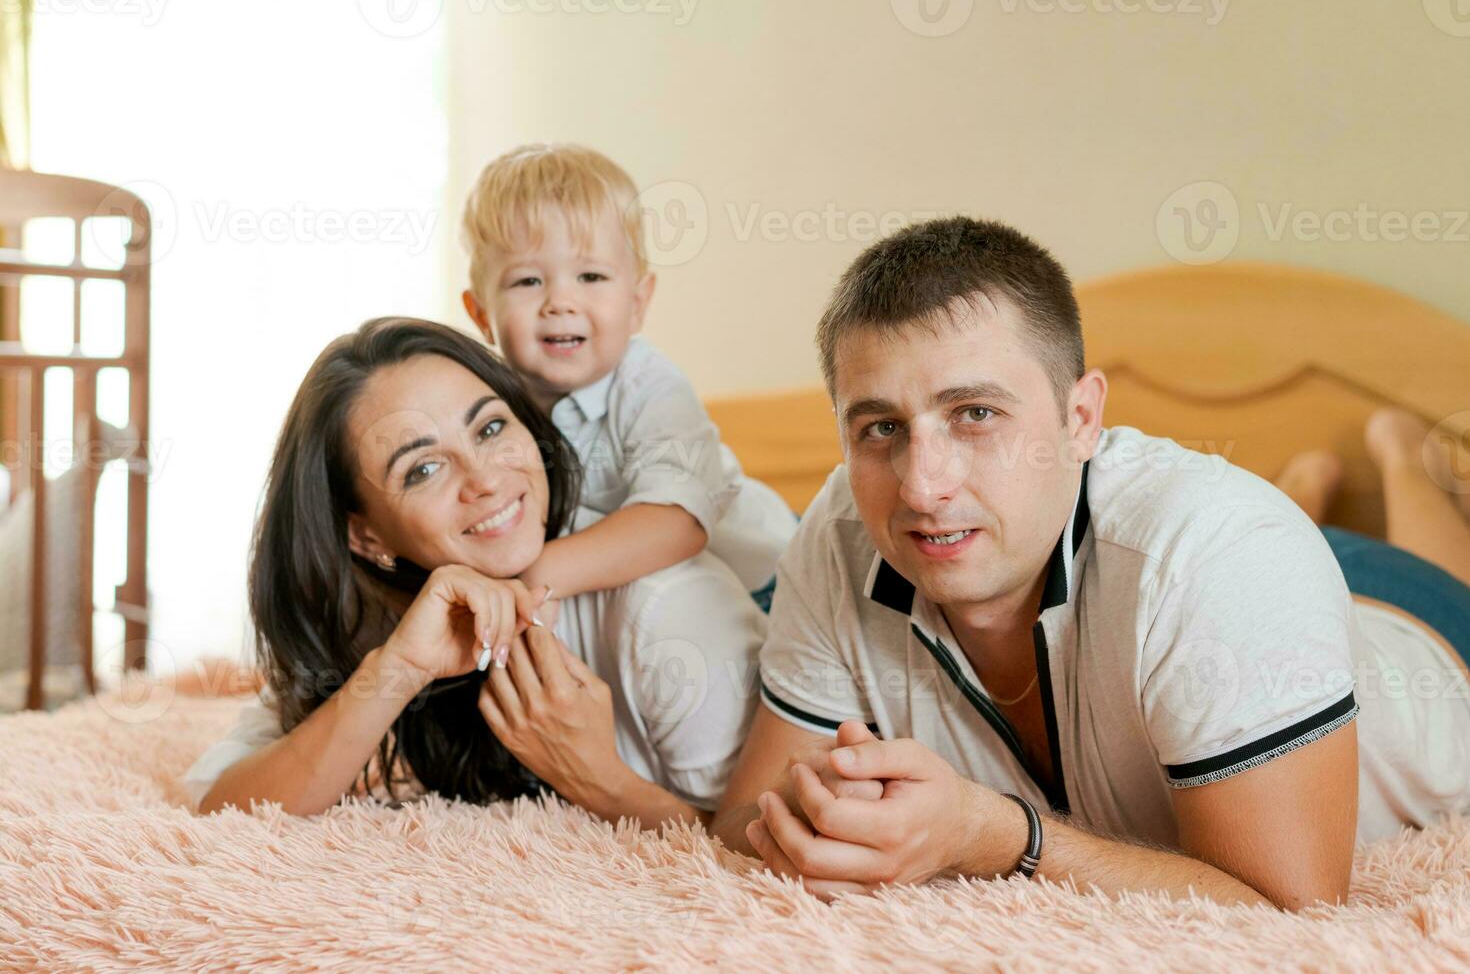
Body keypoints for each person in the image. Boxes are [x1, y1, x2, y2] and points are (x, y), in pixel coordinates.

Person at [709, 216, 1470, 910]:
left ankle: (1402, 452)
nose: (921, 485)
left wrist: (996, 834)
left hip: (1413, 623)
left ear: (1081, 419)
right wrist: (818, 821)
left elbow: (1289, 909)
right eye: (881, 427)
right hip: (1198, 578)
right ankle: (1303, 485)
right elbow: (746, 814)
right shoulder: (846, 518)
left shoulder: (1233, 555)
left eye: (975, 414)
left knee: (1423, 563)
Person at [185, 318, 765, 828]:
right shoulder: (391, 620)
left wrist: (601, 780)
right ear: (365, 534)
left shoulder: (667, 604)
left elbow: (760, 851)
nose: (484, 478)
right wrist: (400, 669)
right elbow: (227, 807)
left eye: (490, 429)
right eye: (424, 468)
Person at [459, 143, 797, 611]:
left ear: (638, 303)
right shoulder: (485, 407)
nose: (560, 302)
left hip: (770, 585)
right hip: (640, 599)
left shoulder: (649, 387)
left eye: (591, 277)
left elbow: (677, 523)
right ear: (480, 314)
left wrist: (531, 577)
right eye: (528, 281)